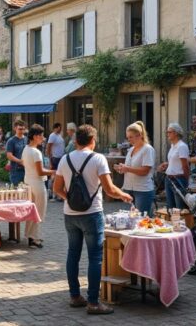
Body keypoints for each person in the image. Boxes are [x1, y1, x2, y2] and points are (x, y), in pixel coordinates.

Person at [53, 125, 132, 315]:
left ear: (76, 141)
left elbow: (56, 189)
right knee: (95, 258)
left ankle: (75, 296)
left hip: (70, 214)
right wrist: (124, 195)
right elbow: (110, 189)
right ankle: (93, 302)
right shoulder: (98, 159)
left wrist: (70, 199)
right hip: (92, 213)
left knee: (73, 254)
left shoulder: (65, 159)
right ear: (92, 140)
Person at [22, 124, 55, 248]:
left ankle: (30, 235)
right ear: (35, 136)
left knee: (32, 210)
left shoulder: (26, 149)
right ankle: (34, 238)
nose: (43, 138)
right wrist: (54, 172)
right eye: (41, 136)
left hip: (28, 181)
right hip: (37, 183)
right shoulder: (36, 152)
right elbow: (40, 171)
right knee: (39, 211)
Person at [114, 121, 155, 216]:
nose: (129, 140)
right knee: (133, 218)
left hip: (143, 190)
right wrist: (121, 168)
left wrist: (127, 168)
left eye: (131, 137)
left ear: (139, 135)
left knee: (142, 219)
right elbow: (129, 168)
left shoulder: (147, 149)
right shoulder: (131, 149)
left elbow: (145, 171)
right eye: (128, 137)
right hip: (130, 189)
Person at [157, 123, 190, 210]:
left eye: (169, 132)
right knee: (170, 207)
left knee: (179, 208)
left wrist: (185, 181)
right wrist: (167, 164)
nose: (167, 134)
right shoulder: (173, 146)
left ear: (176, 133)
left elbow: (185, 165)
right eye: (167, 132)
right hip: (169, 178)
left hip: (178, 179)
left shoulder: (182, 146)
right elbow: (176, 161)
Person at [46, 123, 66, 200]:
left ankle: (57, 194)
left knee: (59, 176)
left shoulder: (59, 135)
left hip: (60, 158)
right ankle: (51, 193)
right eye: (59, 128)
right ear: (56, 128)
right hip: (55, 158)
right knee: (54, 176)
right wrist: (50, 160)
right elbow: (48, 147)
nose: (60, 129)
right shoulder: (52, 135)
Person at [6, 120, 28, 187]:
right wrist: (20, 161)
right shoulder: (11, 141)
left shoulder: (27, 139)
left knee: (27, 190)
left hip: (27, 169)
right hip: (16, 170)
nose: (22, 131)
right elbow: (9, 155)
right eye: (20, 129)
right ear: (15, 128)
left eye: (23, 129)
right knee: (17, 190)